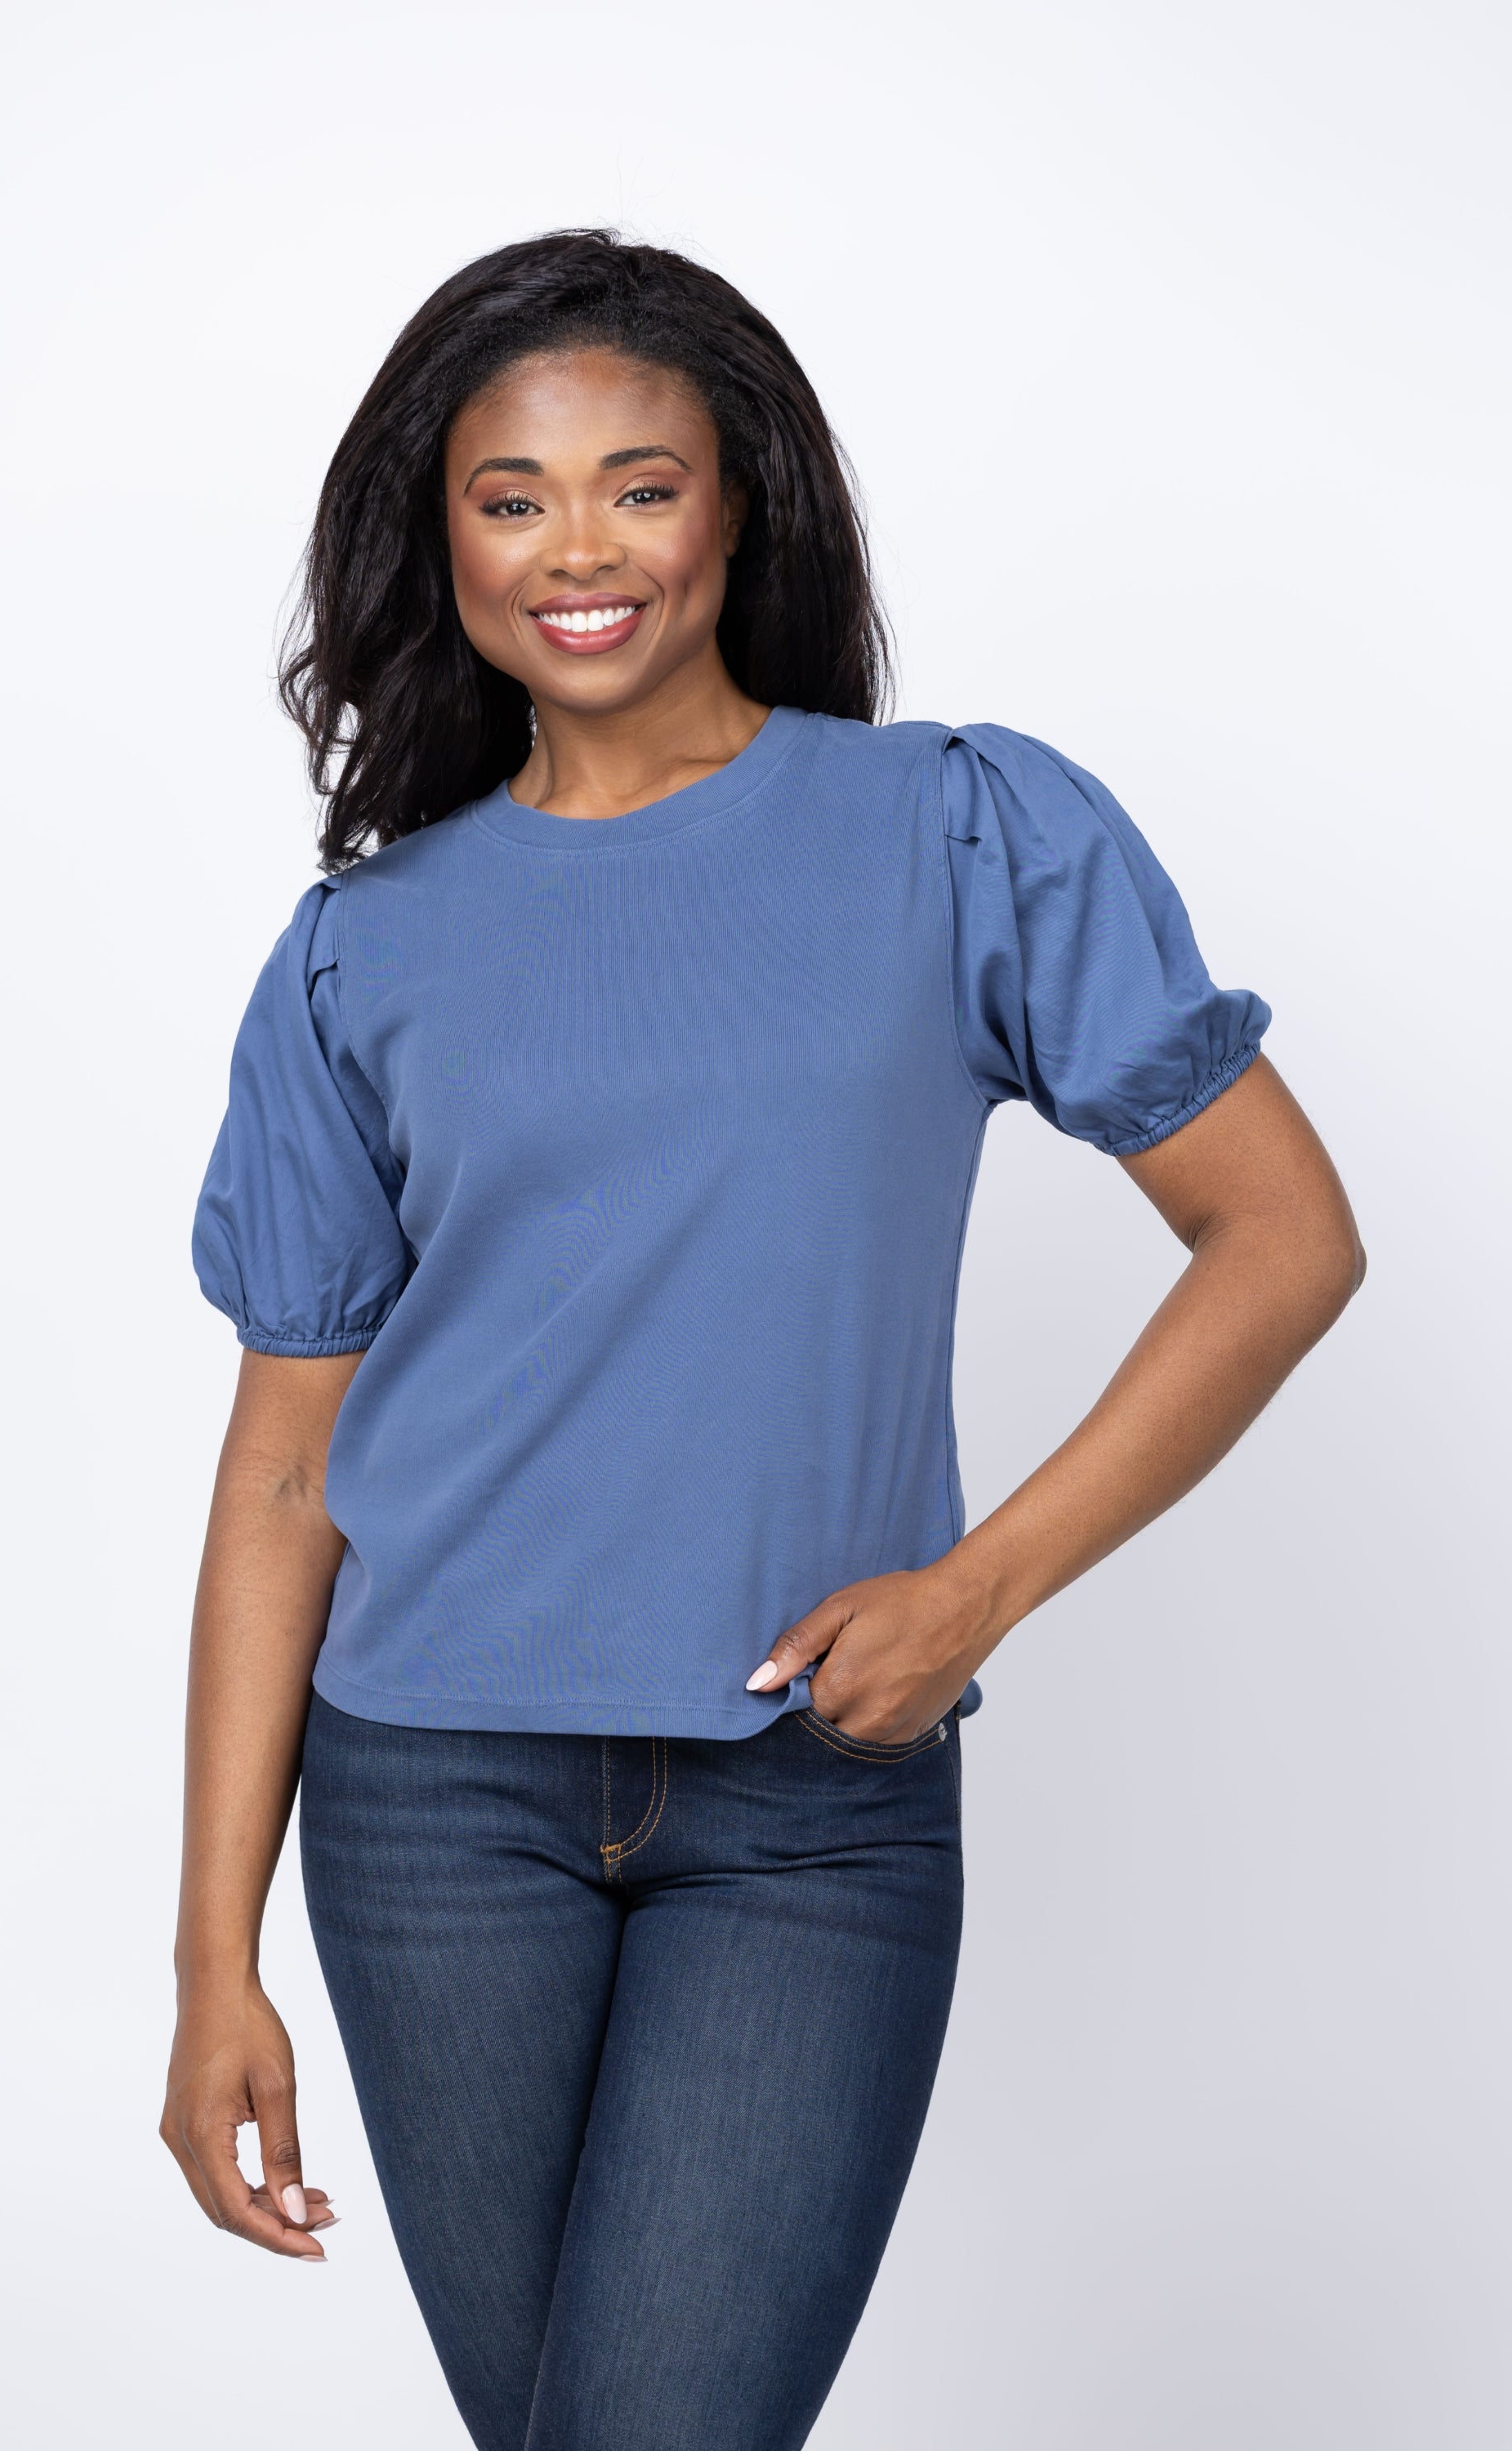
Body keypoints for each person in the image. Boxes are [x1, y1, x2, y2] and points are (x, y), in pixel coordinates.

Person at [160, 230, 1364, 2451]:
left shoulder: (961, 829)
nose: (580, 548)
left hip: (814, 1802)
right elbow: (283, 1469)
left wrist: (977, 1588)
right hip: (429, 1811)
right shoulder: (360, 950)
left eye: (642, 484)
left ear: (738, 512)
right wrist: (208, 1960)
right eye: (514, 497)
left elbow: (1282, 1236)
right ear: (444, 544)